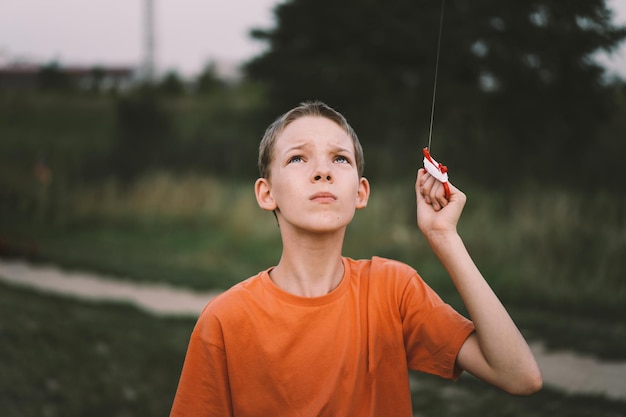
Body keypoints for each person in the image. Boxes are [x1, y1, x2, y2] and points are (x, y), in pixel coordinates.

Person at [169, 101, 542, 417]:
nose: (322, 171)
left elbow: (519, 376)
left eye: (340, 159)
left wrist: (444, 237)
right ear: (267, 193)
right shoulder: (225, 320)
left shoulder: (393, 291)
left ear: (360, 192)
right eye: (298, 157)